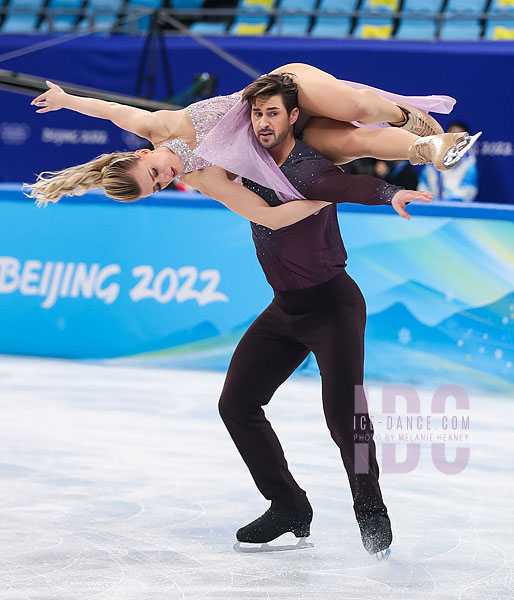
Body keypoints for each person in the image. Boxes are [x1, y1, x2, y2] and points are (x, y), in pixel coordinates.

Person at [212, 73, 433, 560]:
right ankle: (288, 504)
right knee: (237, 404)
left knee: (345, 416)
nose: (262, 122)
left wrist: (389, 194)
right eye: (257, 113)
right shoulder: (245, 158)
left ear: (293, 117)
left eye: (273, 113)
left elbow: (346, 184)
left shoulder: (308, 168)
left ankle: (370, 508)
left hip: (332, 306)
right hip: (285, 309)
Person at [24, 63, 476, 210]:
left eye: (156, 171)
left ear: (145, 153)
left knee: (357, 108)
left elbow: (113, 110)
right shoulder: (203, 179)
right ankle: (429, 148)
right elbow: (260, 213)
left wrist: (69, 102)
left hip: (277, 90)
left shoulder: (158, 127)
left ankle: (402, 114)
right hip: (287, 135)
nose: (168, 176)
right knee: (351, 144)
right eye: (161, 185)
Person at [418, 121, 479, 202]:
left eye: (458, 136)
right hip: (430, 206)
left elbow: (469, 190)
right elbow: (423, 184)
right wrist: (426, 199)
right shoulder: (432, 159)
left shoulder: (468, 163)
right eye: (451, 134)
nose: (454, 139)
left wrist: (448, 202)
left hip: (456, 209)